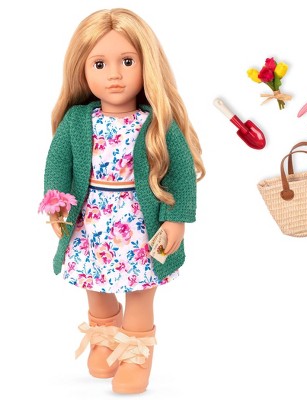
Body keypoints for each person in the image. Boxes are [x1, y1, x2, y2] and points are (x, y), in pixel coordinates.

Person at [39, 8, 205, 394]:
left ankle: (136, 352)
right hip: (91, 222)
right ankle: (105, 331)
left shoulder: (157, 123)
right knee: (94, 283)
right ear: (82, 69)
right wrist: (56, 204)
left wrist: (176, 217)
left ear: (147, 65)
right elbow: (57, 164)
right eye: (100, 64)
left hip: (142, 223)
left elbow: (180, 172)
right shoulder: (76, 121)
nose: (114, 74)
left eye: (127, 61)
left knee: (140, 289)